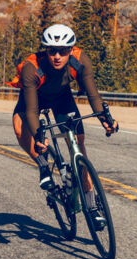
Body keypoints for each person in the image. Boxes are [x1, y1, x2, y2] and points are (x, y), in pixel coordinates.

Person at [7, 24, 118, 229]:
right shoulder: (32, 67)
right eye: (52, 51)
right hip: (33, 99)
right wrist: (39, 137)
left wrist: (105, 118)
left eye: (63, 51)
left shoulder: (80, 60)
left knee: (78, 147)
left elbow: (93, 94)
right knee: (20, 128)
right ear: (45, 50)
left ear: (71, 50)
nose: (57, 56)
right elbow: (31, 111)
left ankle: (92, 207)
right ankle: (43, 164)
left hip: (62, 99)